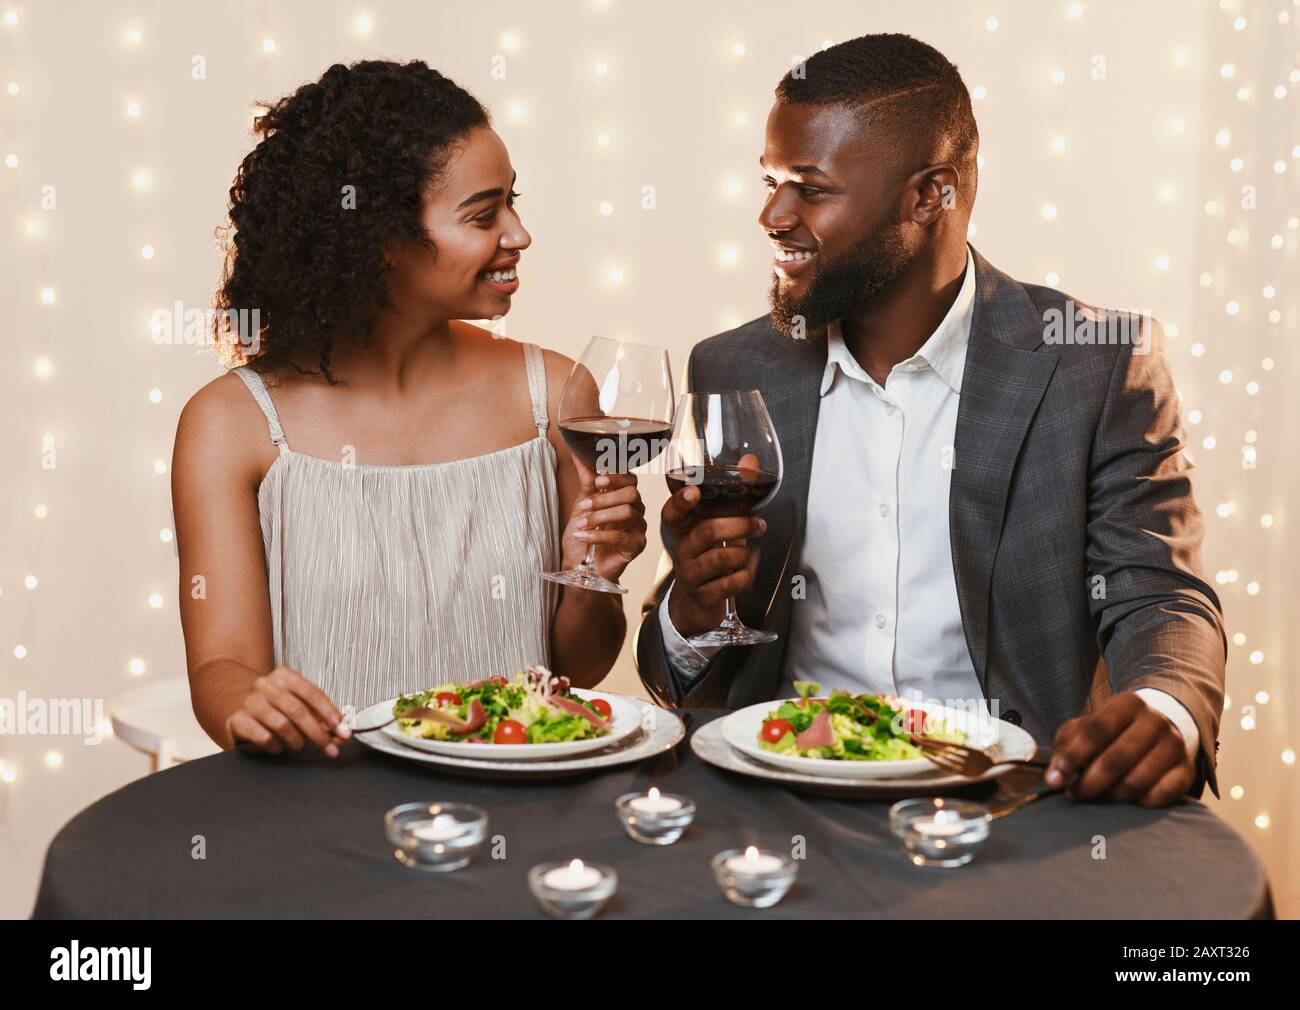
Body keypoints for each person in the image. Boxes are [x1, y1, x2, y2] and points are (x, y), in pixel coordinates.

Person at [635, 34, 1226, 806]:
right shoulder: (732, 370)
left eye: (809, 188)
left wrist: (1165, 707)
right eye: (771, 180)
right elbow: (676, 673)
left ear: (929, 194)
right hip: (785, 800)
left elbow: (1160, 592)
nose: (771, 214)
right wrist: (693, 609)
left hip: (1009, 808)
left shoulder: (1096, 363)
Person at [173, 60, 647, 757]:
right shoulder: (232, 423)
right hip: (329, 805)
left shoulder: (555, 395)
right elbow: (222, 670)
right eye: (484, 215)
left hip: (514, 802)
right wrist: (252, 702)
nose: (518, 234)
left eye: (513, 203)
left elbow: (579, 671)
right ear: (381, 240)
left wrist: (594, 580)